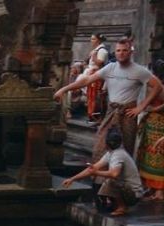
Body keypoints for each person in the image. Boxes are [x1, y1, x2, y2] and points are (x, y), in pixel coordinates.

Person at [55, 39, 164, 160]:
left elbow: (157, 86)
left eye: (124, 50)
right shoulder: (110, 68)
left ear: (130, 52)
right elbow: (86, 80)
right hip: (111, 111)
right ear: (115, 52)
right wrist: (64, 89)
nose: (121, 53)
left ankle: (118, 177)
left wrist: (141, 107)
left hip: (128, 113)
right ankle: (101, 177)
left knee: (124, 148)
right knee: (101, 145)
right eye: (118, 50)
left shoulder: (139, 71)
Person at [61, 126, 144, 216]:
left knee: (111, 181)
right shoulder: (110, 153)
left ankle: (122, 207)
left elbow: (114, 174)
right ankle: (114, 204)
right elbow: (92, 169)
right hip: (128, 191)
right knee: (105, 180)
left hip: (134, 194)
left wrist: (96, 173)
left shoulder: (118, 155)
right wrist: (72, 179)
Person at [136, 60, 164, 198]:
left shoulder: (155, 85)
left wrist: (153, 109)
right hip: (153, 121)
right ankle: (153, 189)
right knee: (152, 155)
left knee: (156, 155)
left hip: (157, 121)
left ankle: (158, 190)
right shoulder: (153, 84)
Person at [86, 34, 110, 123]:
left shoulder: (102, 50)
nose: (91, 41)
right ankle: (91, 115)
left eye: (93, 39)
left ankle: (97, 117)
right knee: (91, 96)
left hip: (98, 76)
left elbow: (100, 63)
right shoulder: (95, 50)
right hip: (92, 75)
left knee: (97, 96)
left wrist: (94, 56)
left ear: (98, 40)